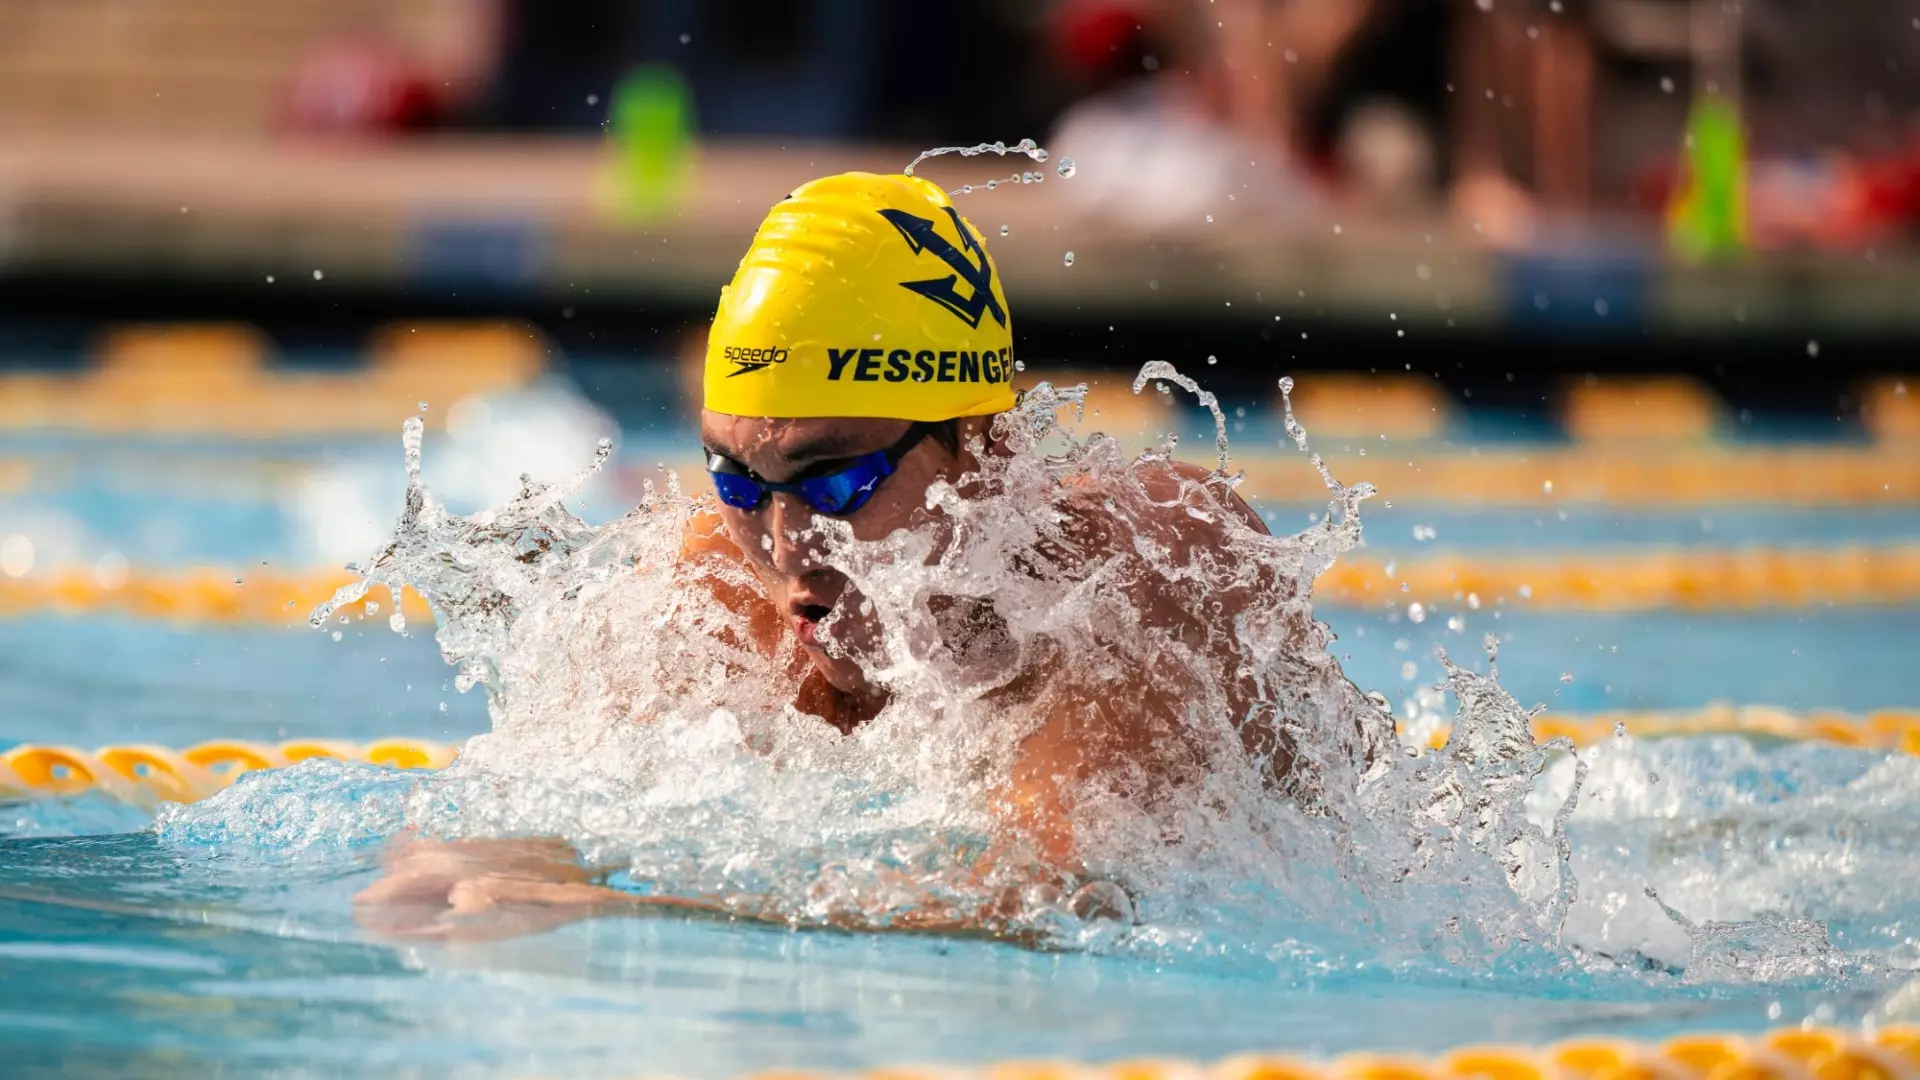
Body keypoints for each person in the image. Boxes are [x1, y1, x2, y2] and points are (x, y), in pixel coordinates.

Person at [356, 172, 1374, 942]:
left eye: (835, 475)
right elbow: (521, 802)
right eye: (739, 478)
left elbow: (1056, 901)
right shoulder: (715, 570)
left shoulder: (1138, 588)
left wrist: (627, 911)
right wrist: (453, 870)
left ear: (987, 449)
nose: (789, 543)